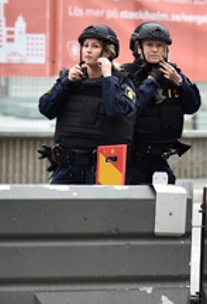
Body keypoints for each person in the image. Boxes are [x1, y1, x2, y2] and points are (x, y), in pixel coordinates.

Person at [38, 24, 137, 185]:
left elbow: (116, 110)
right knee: (59, 209)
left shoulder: (122, 81)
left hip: (106, 163)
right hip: (67, 164)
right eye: (85, 45)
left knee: (103, 209)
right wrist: (66, 82)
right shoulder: (70, 79)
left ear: (108, 53)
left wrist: (107, 78)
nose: (88, 50)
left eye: (95, 46)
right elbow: (46, 108)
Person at [122, 22, 201, 185]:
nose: (155, 50)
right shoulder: (127, 75)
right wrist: (152, 80)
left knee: (168, 203)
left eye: (160, 46)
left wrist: (179, 82)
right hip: (131, 159)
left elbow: (193, 106)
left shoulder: (173, 74)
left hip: (159, 158)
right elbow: (131, 108)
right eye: (149, 45)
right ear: (138, 48)